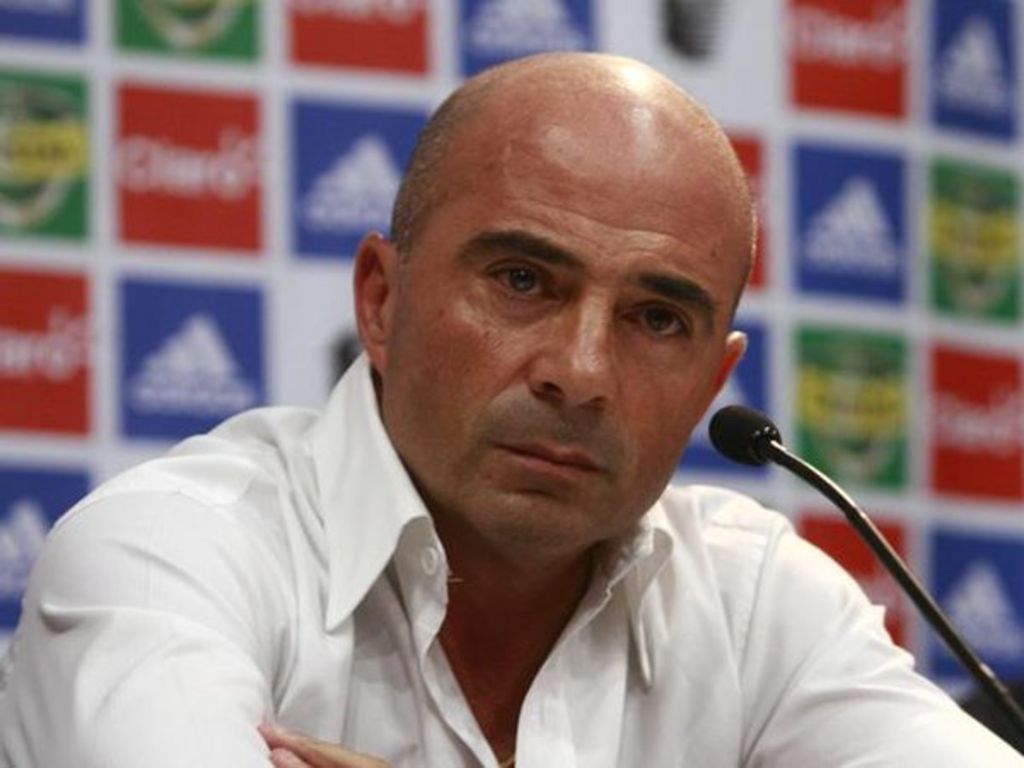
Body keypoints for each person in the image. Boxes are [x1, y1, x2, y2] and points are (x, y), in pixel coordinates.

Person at [0, 52, 1019, 768]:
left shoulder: (758, 603)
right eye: (523, 280)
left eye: (657, 319)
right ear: (381, 301)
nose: (581, 372)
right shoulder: (170, 552)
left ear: (713, 383)